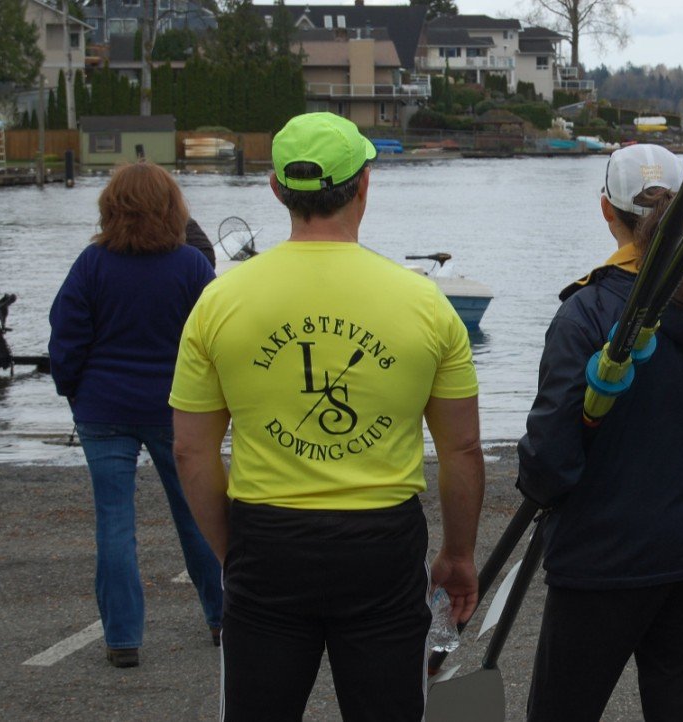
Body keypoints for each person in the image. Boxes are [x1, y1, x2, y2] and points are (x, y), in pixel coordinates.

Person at [170, 112, 485, 722]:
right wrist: (458, 552)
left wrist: (233, 552)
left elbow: (191, 450)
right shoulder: (425, 303)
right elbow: (463, 450)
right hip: (381, 545)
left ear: (277, 189)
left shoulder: (220, 299)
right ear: (365, 184)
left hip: (267, 537)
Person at [516, 144, 683, 721]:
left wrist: (545, 485)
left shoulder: (586, 312)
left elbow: (549, 461)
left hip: (604, 556)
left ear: (605, 211)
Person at [48, 161, 223, 669]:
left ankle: (123, 636)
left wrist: (72, 390)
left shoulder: (91, 264)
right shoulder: (191, 266)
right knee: (197, 515)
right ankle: (222, 616)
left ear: (112, 208)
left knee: (114, 523)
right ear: (173, 209)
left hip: (103, 409)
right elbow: (214, 340)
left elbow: (66, 336)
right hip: (176, 409)